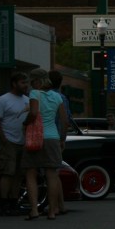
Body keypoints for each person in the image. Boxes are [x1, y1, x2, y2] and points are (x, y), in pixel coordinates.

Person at [21, 68, 67, 220]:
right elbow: (64, 120)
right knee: (52, 175)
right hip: (53, 137)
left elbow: (33, 113)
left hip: (36, 138)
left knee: (31, 173)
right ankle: (52, 211)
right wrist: (62, 139)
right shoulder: (58, 97)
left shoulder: (35, 93)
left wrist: (25, 123)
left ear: (36, 80)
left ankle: (34, 210)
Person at [0, 72, 30, 216]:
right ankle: (4, 203)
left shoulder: (27, 100)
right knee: (8, 172)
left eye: (26, 83)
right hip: (9, 141)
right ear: (14, 84)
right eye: (22, 82)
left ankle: (14, 202)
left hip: (24, 142)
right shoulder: (3, 100)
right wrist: (3, 139)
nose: (25, 85)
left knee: (19, 174)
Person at [48, 70, 73, 214]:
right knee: (55, 172)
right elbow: (66, 121)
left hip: (48, 137)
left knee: (51, 173)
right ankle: (60, 205)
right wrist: (63, 138)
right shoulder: (62, 97)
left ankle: (55, 206)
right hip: (57, 137)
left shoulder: (43, 97)